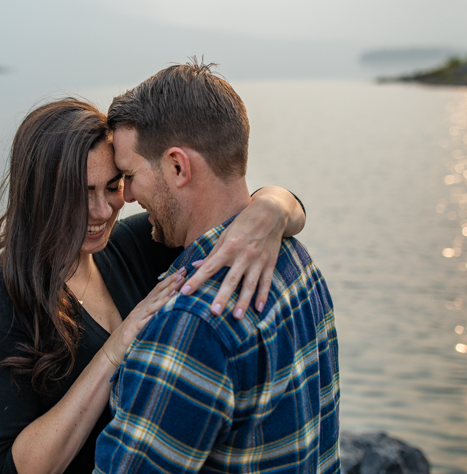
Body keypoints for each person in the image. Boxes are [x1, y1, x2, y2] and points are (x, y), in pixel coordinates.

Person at [0, 98, 307, 474]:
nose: (102, 211)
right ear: (40, 192)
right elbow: (4, 468)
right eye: (80, 193)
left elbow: (240, 208)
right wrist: (115, 348)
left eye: (112, 187)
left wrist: (272, 208)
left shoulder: (134, 245)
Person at [95, 61, 340, 473]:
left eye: (130, 175)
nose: (129, 197)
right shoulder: (299, 263)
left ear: (177, 166)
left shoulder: (191, 325)